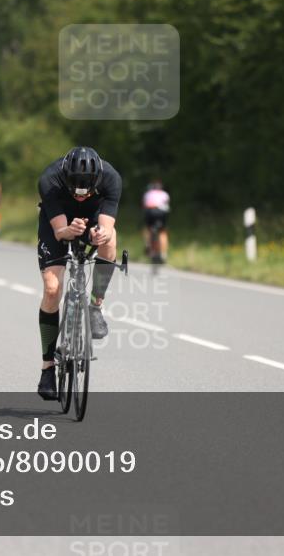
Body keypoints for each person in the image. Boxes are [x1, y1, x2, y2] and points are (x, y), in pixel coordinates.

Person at [35, 146, 121, 401]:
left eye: (87, 191)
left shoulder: (111, 178)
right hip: (59, 222)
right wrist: (68, 230)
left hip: (92, 218)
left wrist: (98, 234)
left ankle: (96, 306)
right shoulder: (49, 180)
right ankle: (48, 367)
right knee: (52, 289)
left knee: (110, 239)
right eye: (76, 191)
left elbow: (106, 225)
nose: (81, 196)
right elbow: (60, 232)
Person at [142, 179, 170, 263]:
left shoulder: (148, 194)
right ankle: (163, 254)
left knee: (148, 229)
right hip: (162, 213)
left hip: (150, 212)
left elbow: (145, 205)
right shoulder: (165, 194)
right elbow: (167, 205)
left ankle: (148, 245)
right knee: (162, 232)